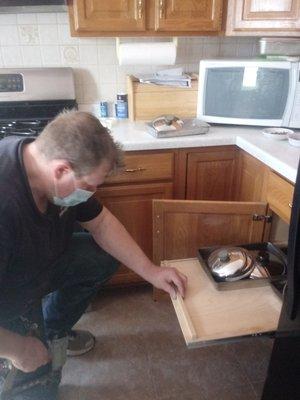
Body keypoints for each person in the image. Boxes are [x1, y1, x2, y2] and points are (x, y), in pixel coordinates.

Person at [0, 110, 187, 400]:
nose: (89, 194)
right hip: (7, 297)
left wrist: (151, 271)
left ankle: (53, 329)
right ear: (61, 170)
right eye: (88, 187)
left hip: (32, 263)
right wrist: (17, 349)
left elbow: (101, 223)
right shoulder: (5, 204)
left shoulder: (43, 161)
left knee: (98, 257)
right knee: (37, 390)